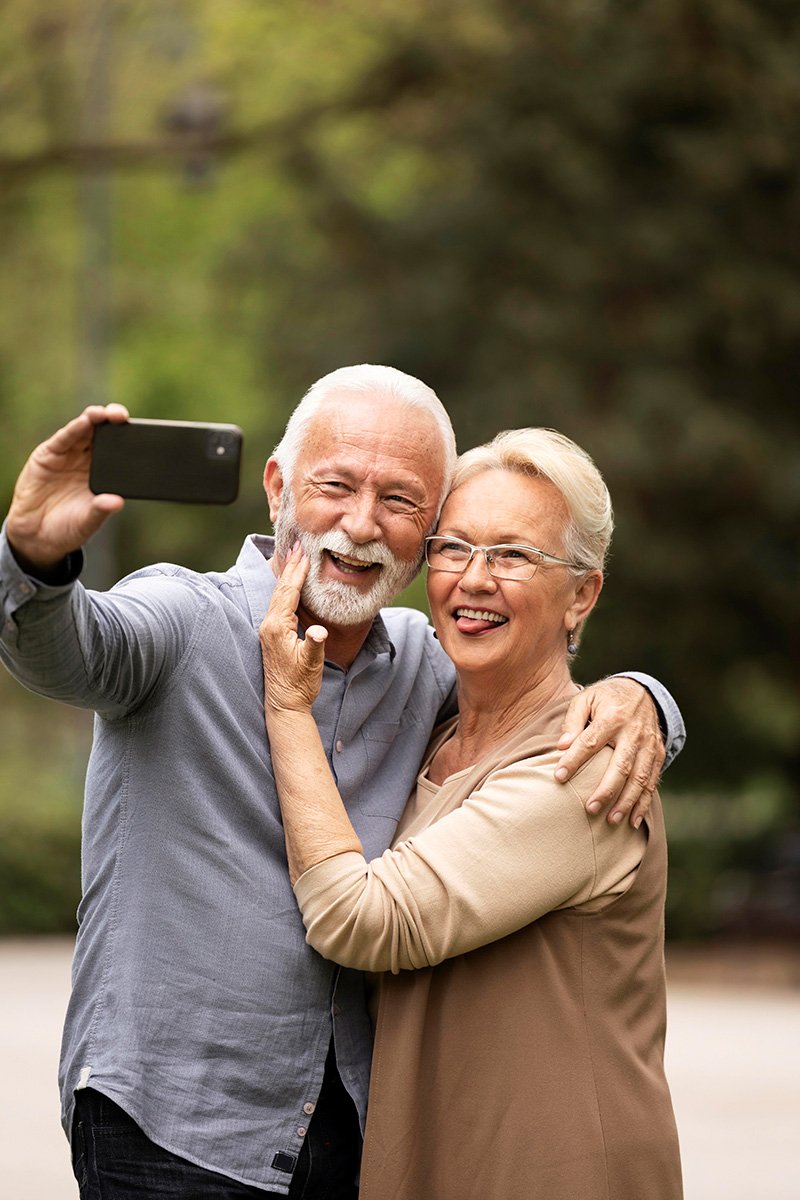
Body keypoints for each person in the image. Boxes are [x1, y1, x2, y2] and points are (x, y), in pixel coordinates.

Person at [0, 366, 683, 1200]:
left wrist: (641, 697)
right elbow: (66, 652)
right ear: (279, 486)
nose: (361, 525)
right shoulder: (182, 621)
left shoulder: (431, 666)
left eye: (400, 503)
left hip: (347, 1135)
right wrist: (36, 558)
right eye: (336, 486)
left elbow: (537, 693)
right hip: (174, 1129)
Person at [259, 426, 683, 1200]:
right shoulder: (438, 736)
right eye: (453, 548)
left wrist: (288, 705)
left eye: (514, 556)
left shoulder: (580, 766)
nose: (474, 580)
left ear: (582, 594)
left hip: (555, 1173)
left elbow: (363, 921)